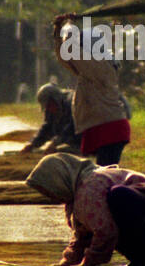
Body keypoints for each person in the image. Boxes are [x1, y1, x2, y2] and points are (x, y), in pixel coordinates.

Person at [25, 152, 145, 266]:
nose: (51, 196)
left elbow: (106, 232)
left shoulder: (89, 188)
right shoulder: (76, 200)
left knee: (119, 196)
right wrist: (67, 262)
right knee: (109, 217)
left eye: (50, 189)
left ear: (61, 179)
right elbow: (83, 235)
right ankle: (142, 261)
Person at [52, 12, 131, 165]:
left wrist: (68, 25)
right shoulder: (91, 67)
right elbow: (65, 57)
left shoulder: (100, 65)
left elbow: (70, 51)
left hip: (109, 129)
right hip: (102, 128)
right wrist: (58, 31)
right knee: (105, 173)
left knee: (106, 174)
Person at [22, 83, 79, 154]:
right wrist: (32, 143)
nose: (48, 109)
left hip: (80, 141)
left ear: (55, 99)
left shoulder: (72, 103)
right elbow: (47, 127)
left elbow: (71, 127)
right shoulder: (51, 109)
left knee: (61, 151)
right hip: (67, 141)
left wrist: (54, 143)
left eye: (49, 105)